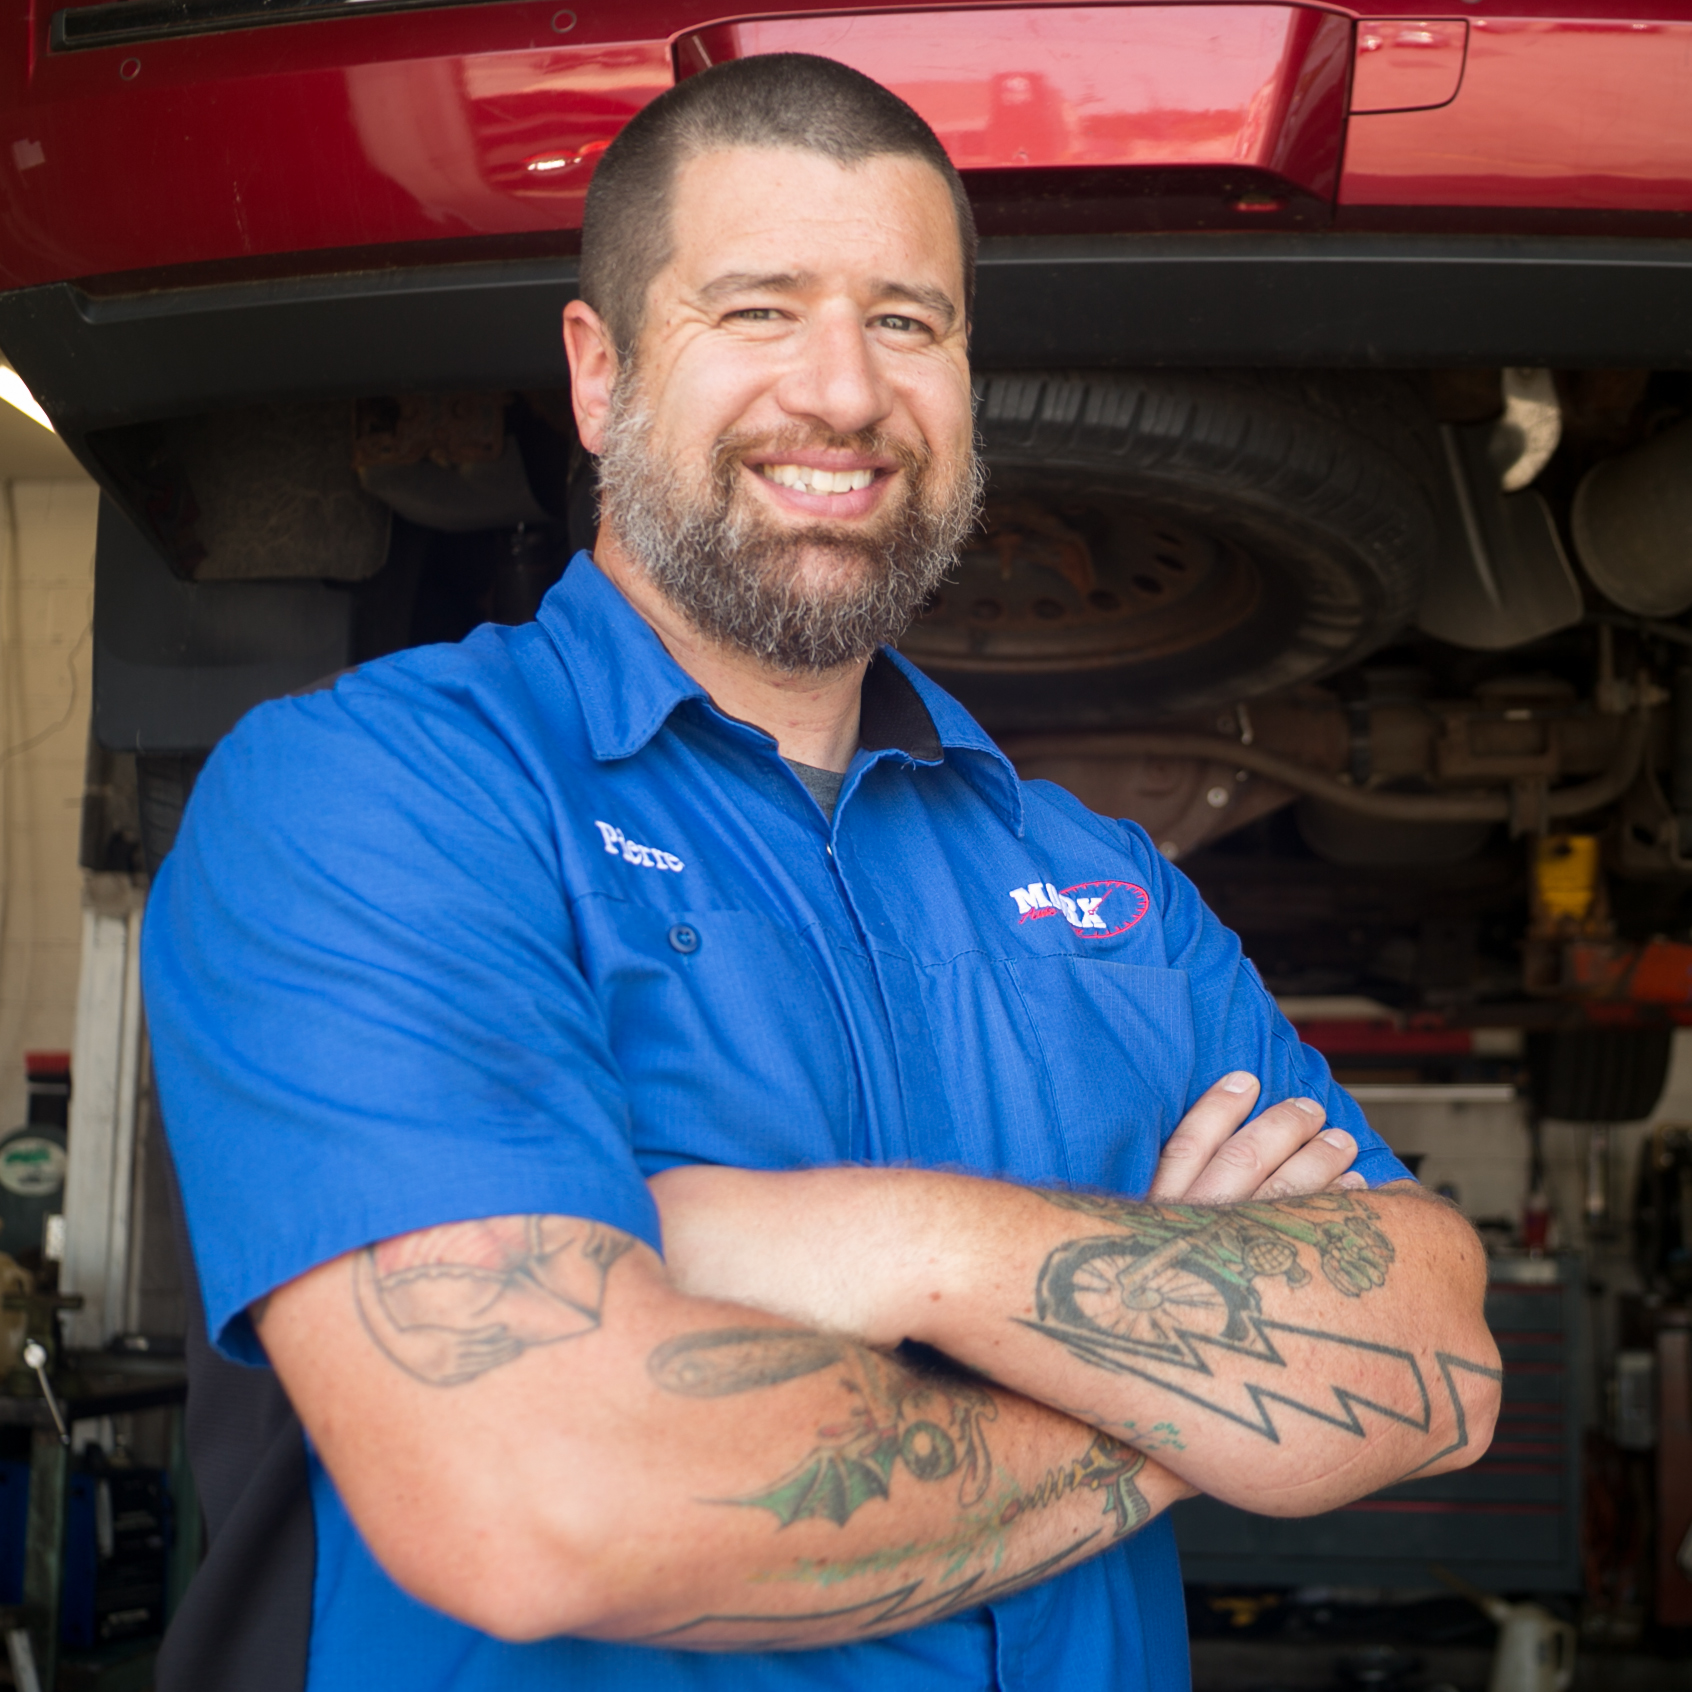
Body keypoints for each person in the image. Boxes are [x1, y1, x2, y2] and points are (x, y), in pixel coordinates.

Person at [141, 52, 1500, 1692]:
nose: (845, 393)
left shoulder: (1110, 891)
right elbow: (549, 1497)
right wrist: (1186, 1387)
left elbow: (1436, 1361)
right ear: (600, 373)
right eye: (759, 310)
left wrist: (897, 1246)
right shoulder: (382, 796)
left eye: (908, 322)